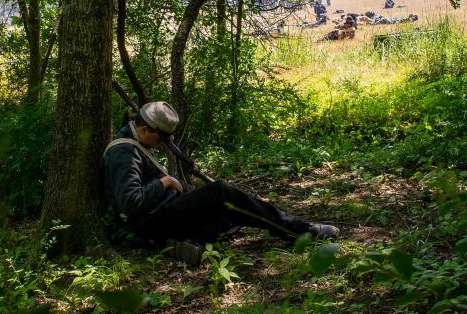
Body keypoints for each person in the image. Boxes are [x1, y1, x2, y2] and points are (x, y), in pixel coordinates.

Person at [104, 102, 339, 265]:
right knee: (221, 192)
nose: (161, 144)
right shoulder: (124, 152)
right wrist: (164, 183)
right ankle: (300, 230)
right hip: (150, 221)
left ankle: (185, 241)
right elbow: (130, 203)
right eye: (159, 138)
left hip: (159, 216)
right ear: (144, 129)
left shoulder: (136, 143)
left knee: (227, 214)